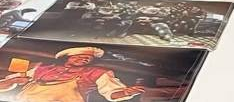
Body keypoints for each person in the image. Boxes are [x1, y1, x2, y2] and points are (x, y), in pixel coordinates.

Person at [0, 46, 144, 101]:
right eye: (79, 56)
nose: (84, 59)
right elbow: (8, 76)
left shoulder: (99, 72)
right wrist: (12, 81)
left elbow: (112, 93)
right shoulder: (39, 67)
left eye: (87, 58)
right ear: (67, 57)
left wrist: (127, 92)